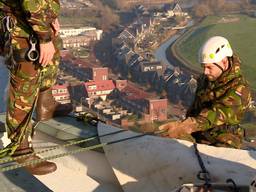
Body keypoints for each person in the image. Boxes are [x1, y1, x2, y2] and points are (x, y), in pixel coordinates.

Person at [0, 0, 65, 175]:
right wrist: (43, 38)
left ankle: (46, 105)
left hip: (31, 18)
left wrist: (51, 18)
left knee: (53, 53)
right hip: (21, 24)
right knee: (25, 79)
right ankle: (19, 147)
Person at [159, 36, 252, 149]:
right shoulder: (206, 79)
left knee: (217, 162)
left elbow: (215, 115)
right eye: (203, 67)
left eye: (209, 67)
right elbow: (196, 107)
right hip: (199, 132)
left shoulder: (239, 89)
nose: (205, 72)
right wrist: (181, 125)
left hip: (223, 138)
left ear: (224, 62)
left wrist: (185, 127)